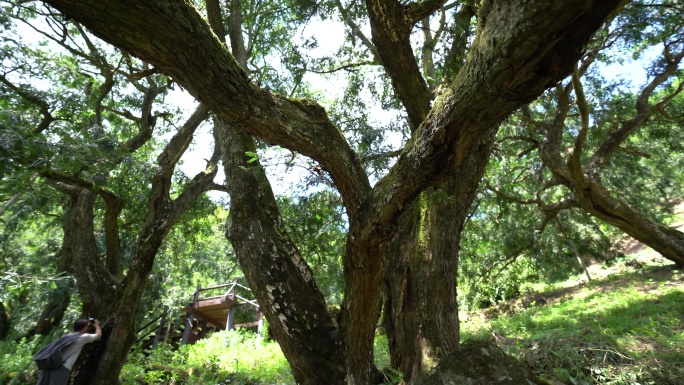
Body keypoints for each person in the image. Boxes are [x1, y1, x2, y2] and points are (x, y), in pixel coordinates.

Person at [36, 318, 101, 385]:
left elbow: (82, 329)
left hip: (50, 365)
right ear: (85, 328)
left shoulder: (68, 335)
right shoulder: (83, 337)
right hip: (61, 368)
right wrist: (97, 325)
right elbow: (98, 335)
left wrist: (86, 325)